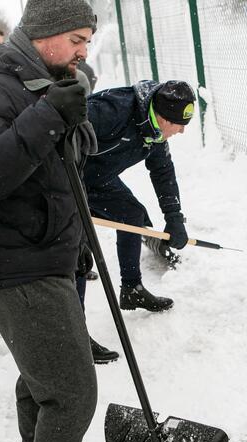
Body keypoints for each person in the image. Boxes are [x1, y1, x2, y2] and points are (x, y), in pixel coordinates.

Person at [0, 0, 100, 442]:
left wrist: (76, 242)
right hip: (18, 266)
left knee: (43, 381)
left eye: (87, 44)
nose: (83, 53)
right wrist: (50, 114)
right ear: (42, 33)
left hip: (43, 254)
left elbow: (55, 173)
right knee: (72, 396)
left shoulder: (43, 79)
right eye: (76, 41)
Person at [81, 80, 196, 312]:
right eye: (179, 125)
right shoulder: (111, 110)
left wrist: (174, 216)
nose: (182, 131)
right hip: (69, 178)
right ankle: (75, 329)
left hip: (100, 178)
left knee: (131, 214)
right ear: (164, 118)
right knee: (76, 250)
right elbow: (58, 133)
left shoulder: (155, 133)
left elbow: (163, 172)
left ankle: (132, 289)